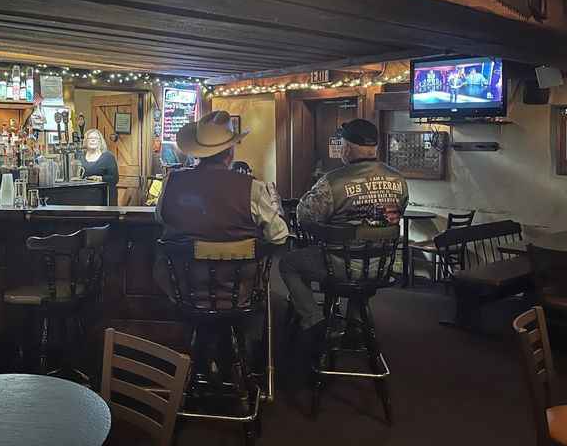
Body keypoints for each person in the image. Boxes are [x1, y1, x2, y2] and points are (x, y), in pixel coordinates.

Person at [279, 118, 408, 338]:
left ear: (347, 148)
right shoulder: (398, 180)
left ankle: (313, 320)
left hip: (340, 264)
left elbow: (304, 217)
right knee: (364, 260)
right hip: (381, 266)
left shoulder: (333, 181)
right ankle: (355, 322)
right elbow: (398, 212)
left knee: (288, 263)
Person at [154, 110, 289, 296]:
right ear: (231, 152)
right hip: (239, 285)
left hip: (185, 285)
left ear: (198, 152)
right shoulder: (252, 187)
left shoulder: (172, 181)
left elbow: (160, 218)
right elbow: (279, 235)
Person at [80, 128, 119, 205]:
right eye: (90, 138)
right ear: (86, 141)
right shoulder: (80, 157)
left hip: (105, 199)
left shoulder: (108, 157)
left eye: (95, 138)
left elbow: (115, 178)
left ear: (100, 141)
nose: (93, 140)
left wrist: (100, 178)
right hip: (84, 198)